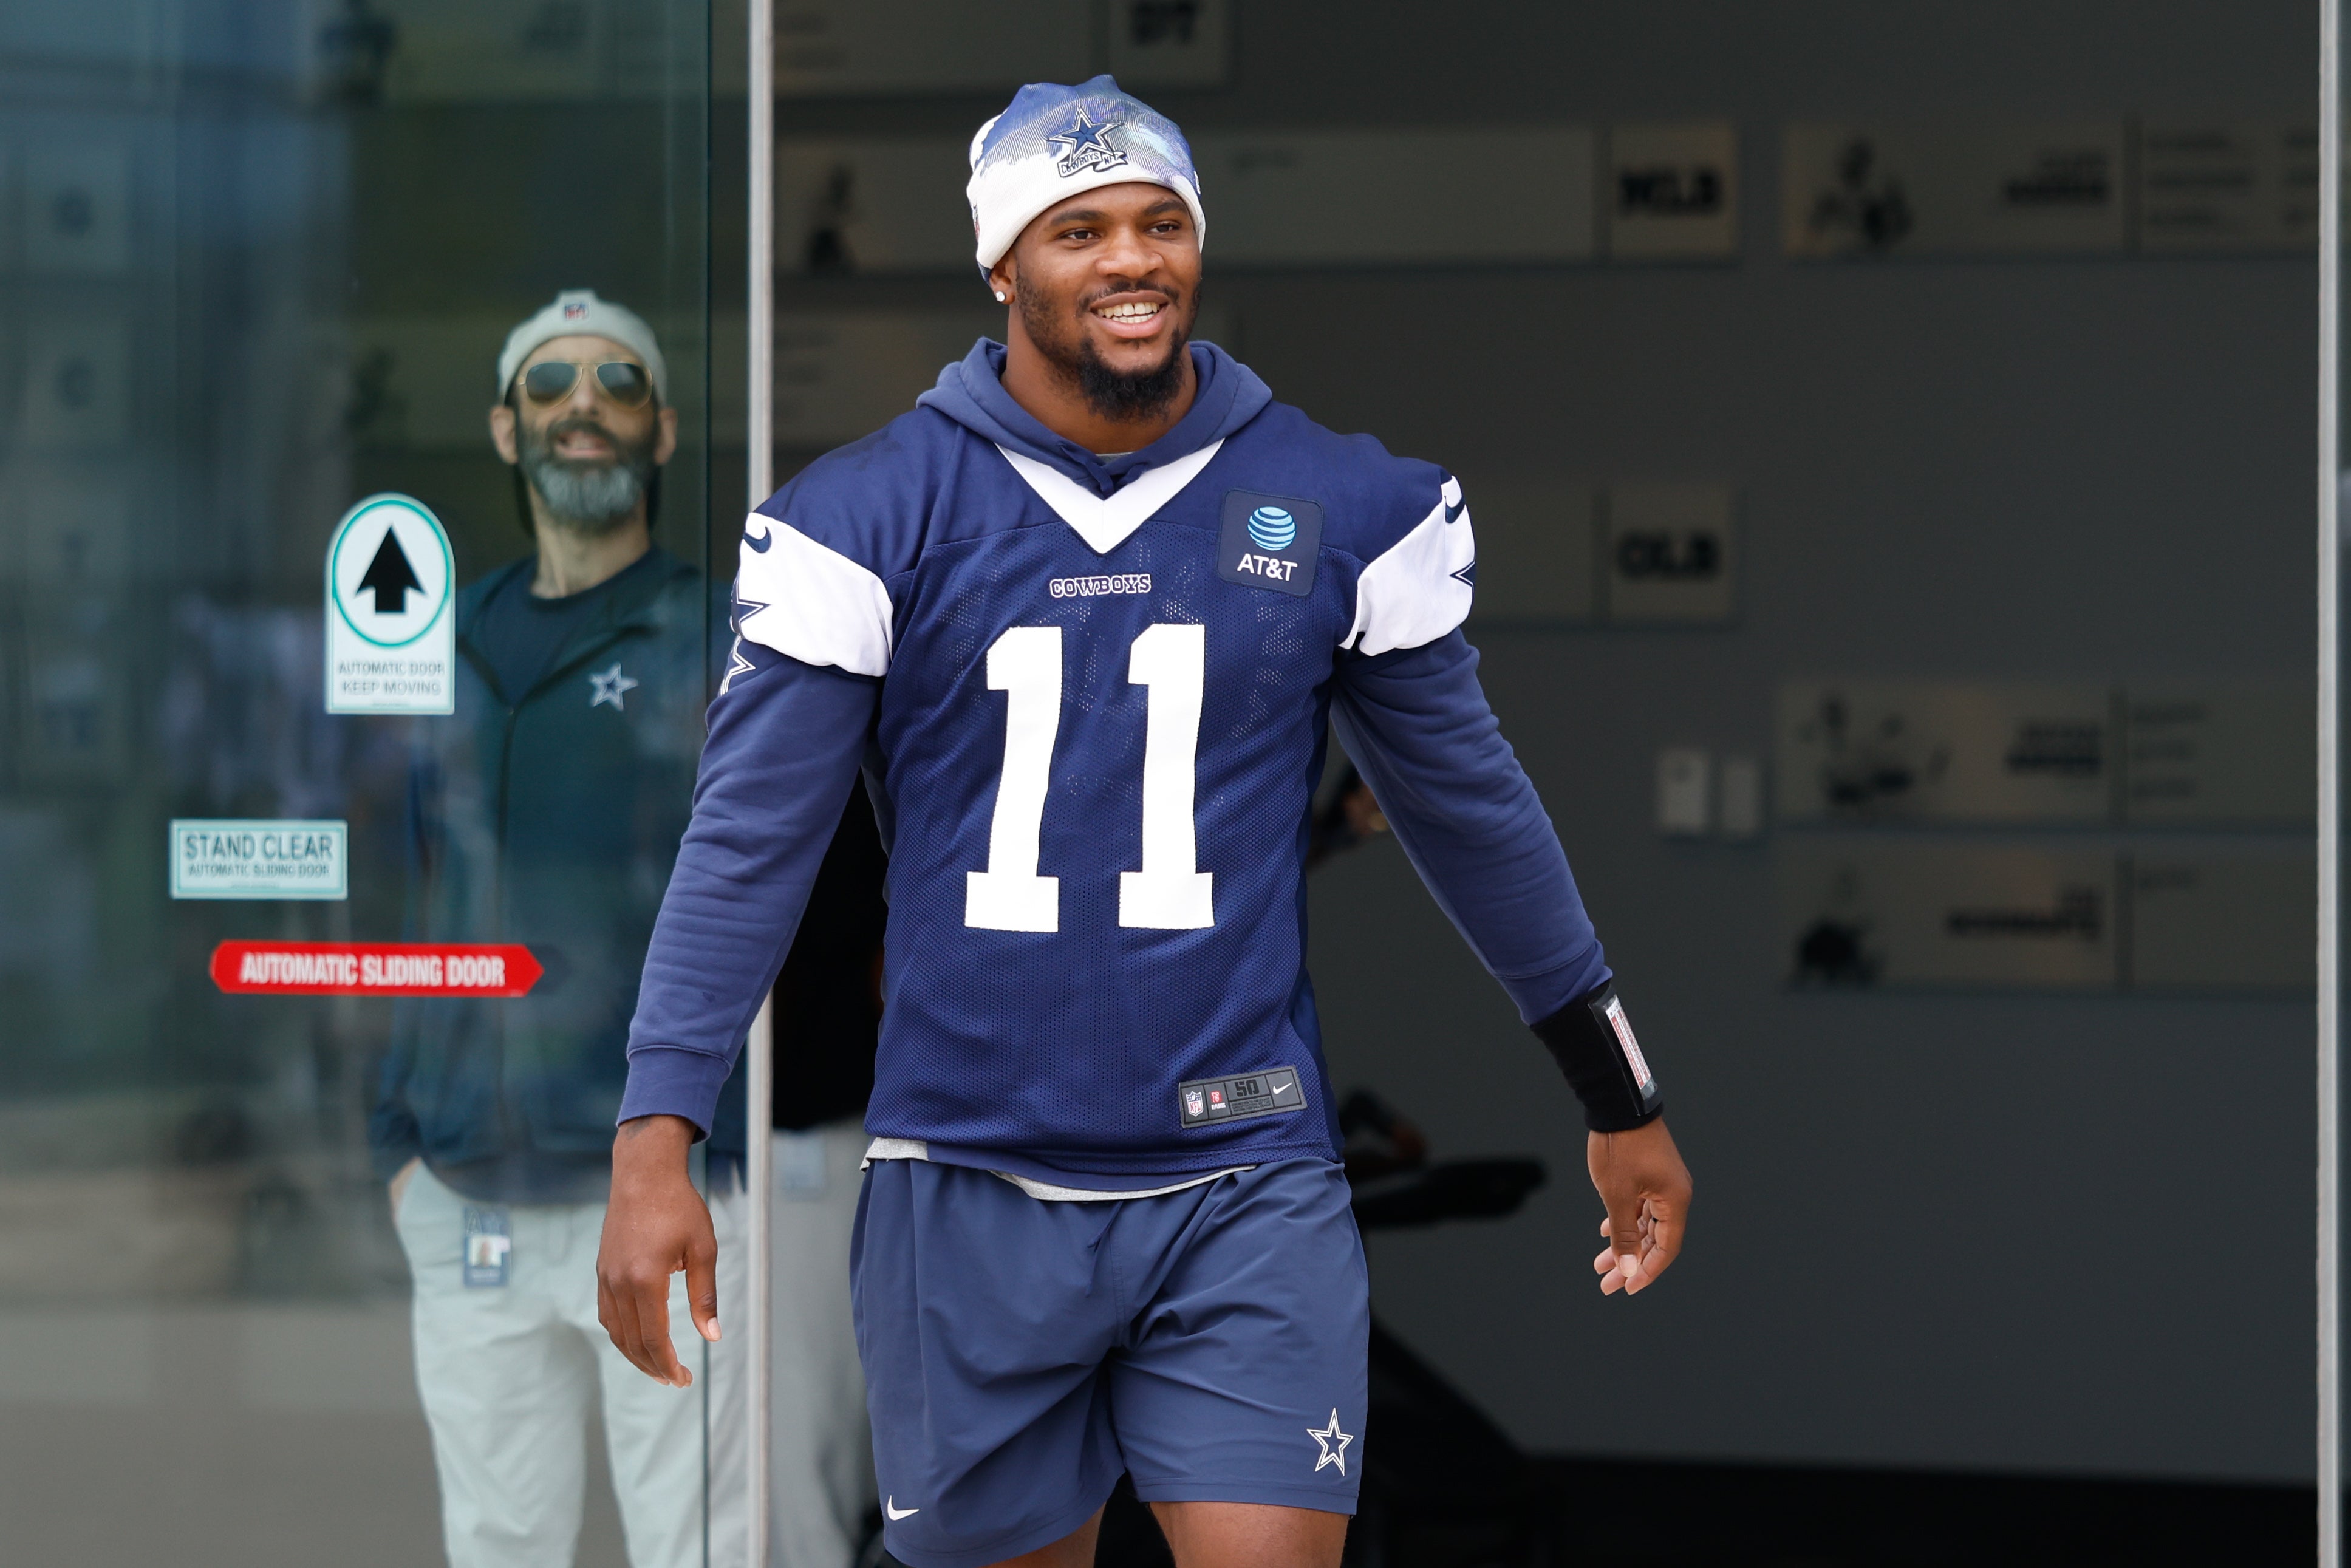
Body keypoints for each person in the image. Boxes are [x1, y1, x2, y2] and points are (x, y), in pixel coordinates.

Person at [596, 76, 1695, 1568]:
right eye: (1081, 229)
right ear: (1001, 267)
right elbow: (746, 848)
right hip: (969, 1181)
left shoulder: (1332, 499)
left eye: (1160, 221)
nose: (1131, 258)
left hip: (1243, 1176)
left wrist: (1616, 1094)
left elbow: (1470, 812)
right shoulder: (868, 516)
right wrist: (655, 1139)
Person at [370, 290, 723, 1568]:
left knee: (698, 1544)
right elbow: (399, 891)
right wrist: (398, 1136)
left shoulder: (721, 635)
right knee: (499, 1544)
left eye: (618, 382)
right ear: (506, 429)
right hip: (469, 1182)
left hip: (662, 1185)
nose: (585, 406)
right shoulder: (442, 640)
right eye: (551, 384)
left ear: (662, 431)